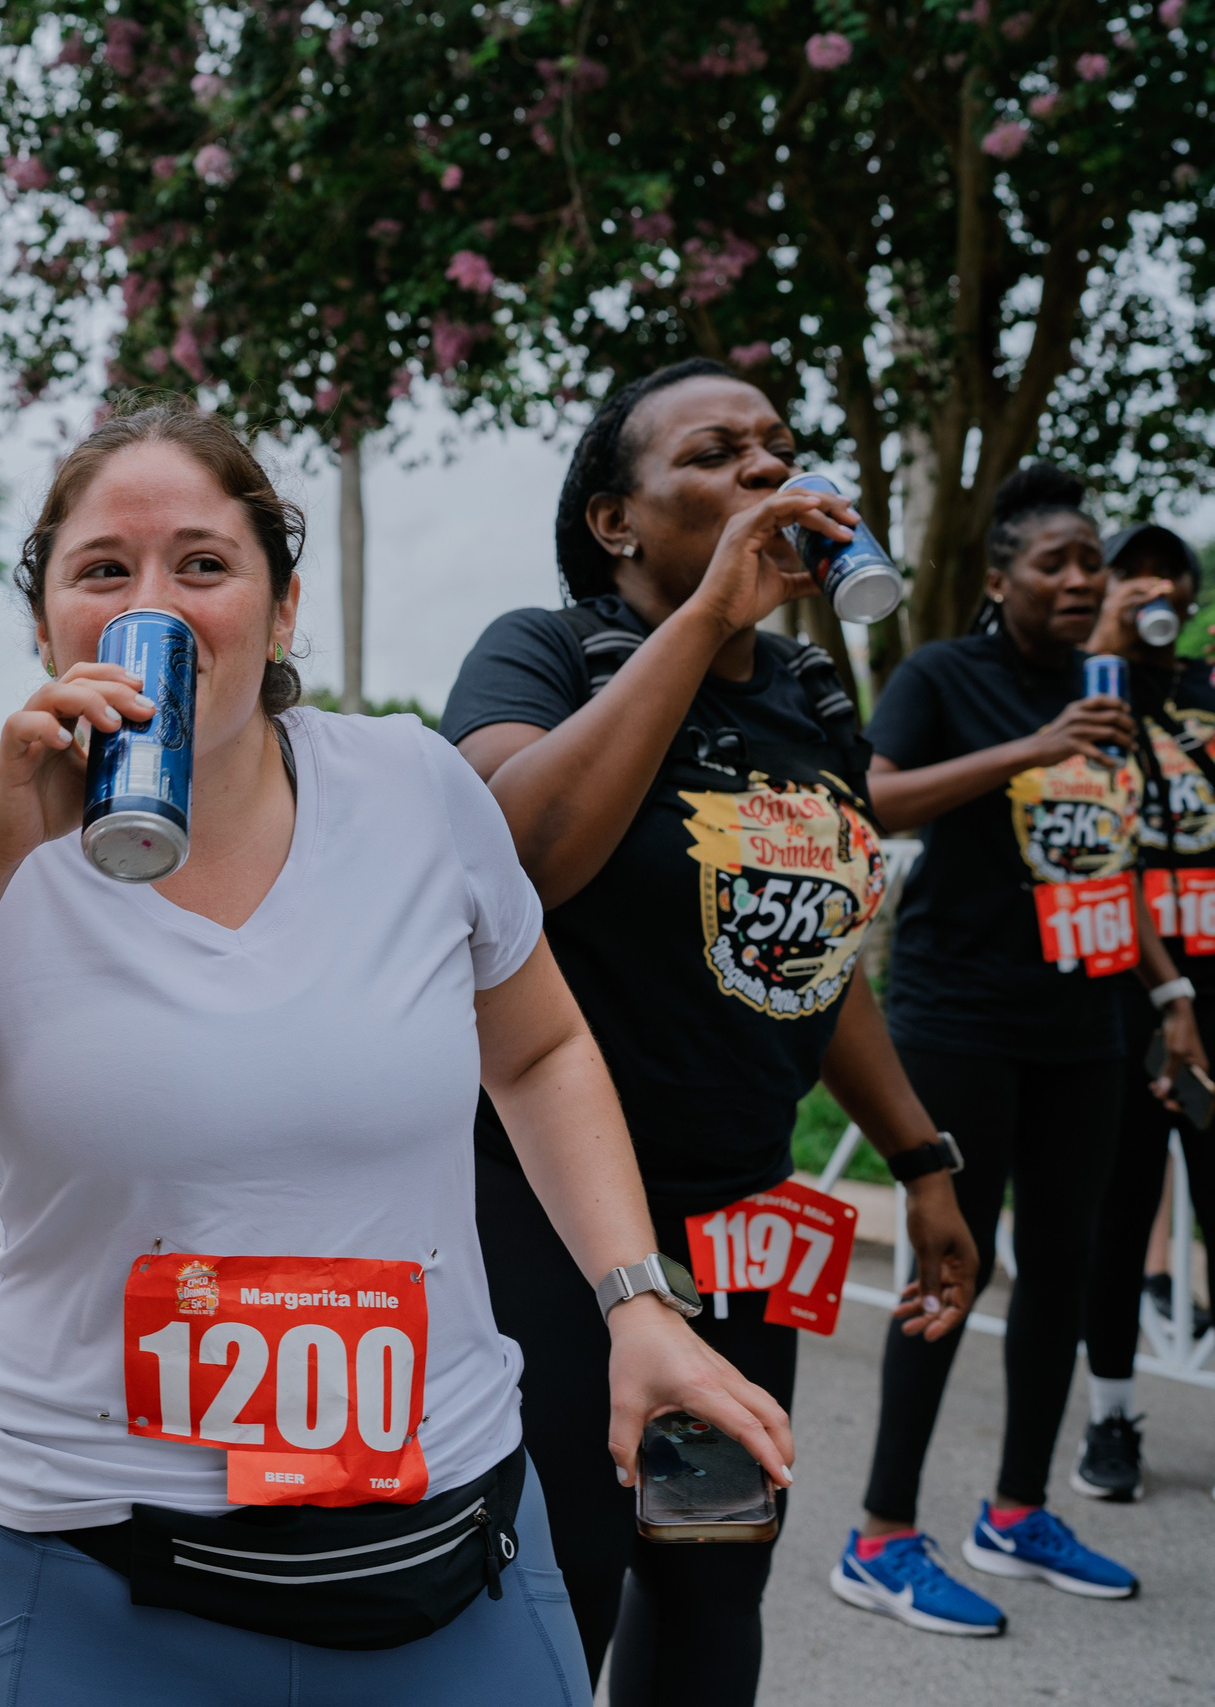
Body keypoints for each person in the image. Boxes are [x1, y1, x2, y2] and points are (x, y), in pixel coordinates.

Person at [0, 401, 793, 1707]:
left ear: (281, 606)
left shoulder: (415, 790)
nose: (157, 603)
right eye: (102, 570)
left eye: (204, 563)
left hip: (449, 1539)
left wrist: (637, 1299)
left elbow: (535, 1050)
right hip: (97, 1560)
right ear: (45, 626)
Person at [440, 358, 981, 1698]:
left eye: (778, 446)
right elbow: (516, 859)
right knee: (557, 1576)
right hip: (547, 1224)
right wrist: (705, 623)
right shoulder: (542, 651)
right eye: (716, 451)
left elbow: (814, 955)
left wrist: (922, 1157)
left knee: (711, 1566)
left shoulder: (810, 701)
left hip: (740, 1230)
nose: (764, 467)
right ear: (615, 519)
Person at [838, 461, 1202, 1628]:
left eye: (1091, 562)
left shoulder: (1113, 697)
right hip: (962, 1022)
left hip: (1084, 1027)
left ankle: (1015, 1512)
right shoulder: (948, 676)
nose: (1081, 578)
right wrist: (1034, 747)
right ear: (1000, 580)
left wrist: (1165, 994)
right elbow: (877, 801)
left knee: (1066, 1266)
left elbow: (1109, 862)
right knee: (952, 1271)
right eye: (1055, 562)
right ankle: (881, 1535)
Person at [1074, 521, 1215, 1501]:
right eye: (1129, 573)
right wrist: (1105, 645)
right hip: (1118, 996)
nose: (1152, 585)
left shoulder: (1205, 693)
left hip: (1211, 996)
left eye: (1168, 574)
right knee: (1115, 1215)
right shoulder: (1086, 691)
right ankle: (1110, 1421)